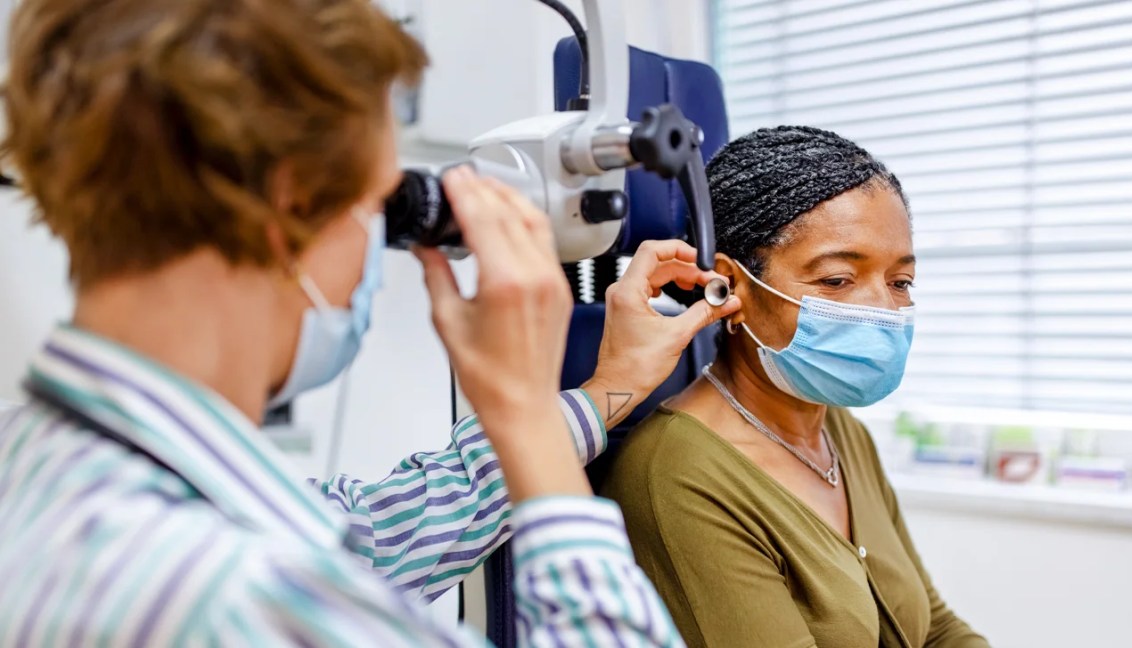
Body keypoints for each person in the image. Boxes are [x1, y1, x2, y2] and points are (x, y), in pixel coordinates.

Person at [0, 0, 740, 645]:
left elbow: (373, 536)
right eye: (379, 205)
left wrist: (603, 388)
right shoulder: (237, 593)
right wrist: (518, 417)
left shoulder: (40, 462)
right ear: (290, 207)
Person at [603, 126, 990, 648]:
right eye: (836, 280)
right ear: (729, 287)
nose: (883, 309)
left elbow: (937, 629)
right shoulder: (678, 477)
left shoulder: (839, 431)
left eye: (900, 283)